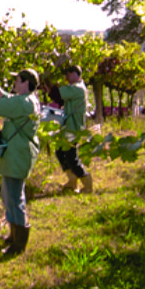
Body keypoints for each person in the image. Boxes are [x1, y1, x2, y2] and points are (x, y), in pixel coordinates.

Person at [0, 69, 41, 257]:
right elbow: (6, 98)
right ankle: (14, 235)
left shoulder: (24, 102)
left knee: (14, 197)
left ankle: (19, 243)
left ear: (25, 83)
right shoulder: (26, 99)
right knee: (10, 195)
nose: (15, 83)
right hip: (17, 153)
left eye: (17, 80)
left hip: (17, 154)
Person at [55, 64, 94, 194]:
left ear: (74, 74)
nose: (66, 77)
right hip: (68, 127)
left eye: (68, 74)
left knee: (71, 156)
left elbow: (57, 94)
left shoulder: (77, 88)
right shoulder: (75, 88)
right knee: (60, 152)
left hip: (73, 128)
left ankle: (87, 183)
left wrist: (48, 84)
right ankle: (72, 181)